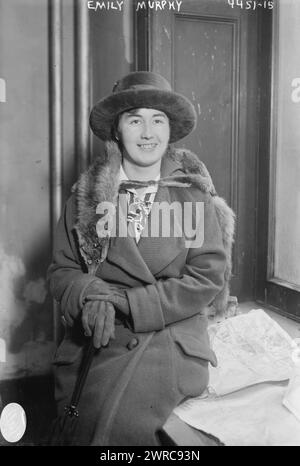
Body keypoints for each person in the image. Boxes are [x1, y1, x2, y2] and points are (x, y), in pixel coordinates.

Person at [47, 71, 235, 446]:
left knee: (120, 428)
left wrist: (130, 302)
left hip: (170, 337)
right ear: (117, 131)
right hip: (97, 341)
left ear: (169, 131)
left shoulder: (191, 198)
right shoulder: (85, 198)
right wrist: (90, 293)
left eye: (158, 120)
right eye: (135, 120)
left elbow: (206, 277)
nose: (148, 133)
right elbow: (61, 271)